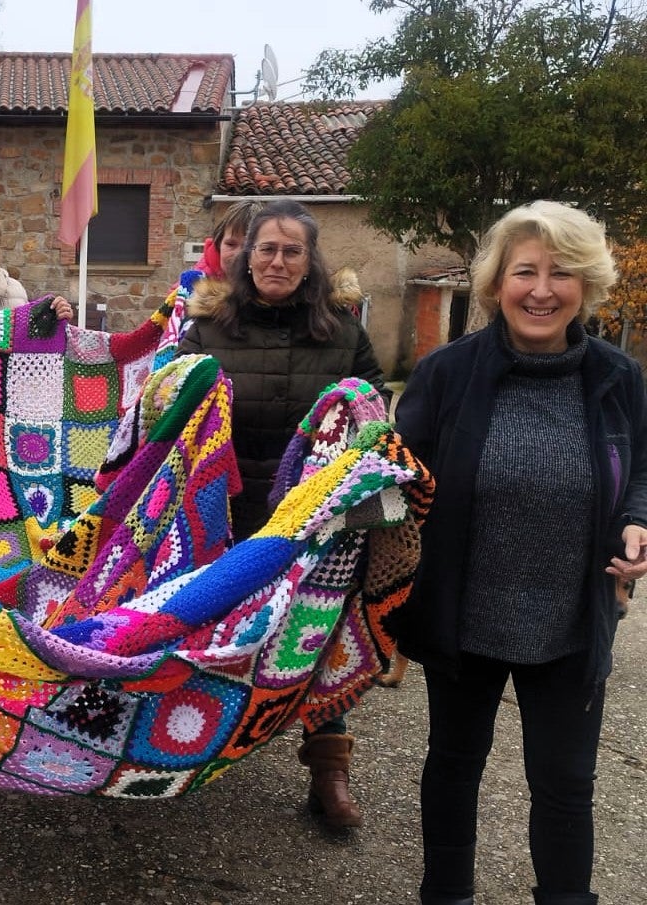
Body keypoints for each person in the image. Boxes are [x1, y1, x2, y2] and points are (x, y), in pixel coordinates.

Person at [394, 200, 645, 905]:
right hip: (463, 612)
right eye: (524, 270)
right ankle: (446, 895)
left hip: (571, 616)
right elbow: (397, 474)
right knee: (453, 763)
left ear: (586, 285)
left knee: (567, 783)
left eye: (561, 272)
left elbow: (643, 470)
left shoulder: (618, 378)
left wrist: (638, 520)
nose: (541, 288)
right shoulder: (447, 372)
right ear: (496, 284)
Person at [177, 198, 387, 830]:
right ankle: (184, 748)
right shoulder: (207, 329)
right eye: (265, 248)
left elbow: (375, 409)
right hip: (227, 510)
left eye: (292, 250)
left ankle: (329, 773)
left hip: (314, 518)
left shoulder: (342, 331)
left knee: (318, 636)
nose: (276, 260)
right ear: (245, 256)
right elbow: (171, 415)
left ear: (309, 260)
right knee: (210, 629)